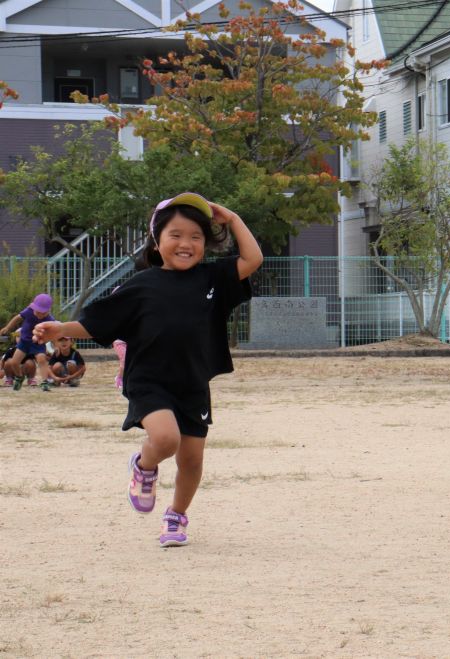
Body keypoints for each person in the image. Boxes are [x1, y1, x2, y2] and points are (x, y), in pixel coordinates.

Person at [33, 192, 263, 547]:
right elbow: (99, 322)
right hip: (148, 381)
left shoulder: (212, 279)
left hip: (192, 384)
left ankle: (176, 516)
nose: (186, 243)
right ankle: (144, 464)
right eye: (176, 235)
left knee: (192, 460)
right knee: (167, 439)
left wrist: (231, 218)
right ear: (157, 241)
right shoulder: (141, 285)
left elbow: (253, 258)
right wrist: (61, 328)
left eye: (196, 236)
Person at [1, 293, 55, 391]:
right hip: (24, 341)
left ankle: (45, 382)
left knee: (42, 359)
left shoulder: (50, 320)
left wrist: (51, 342)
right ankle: (19, 377)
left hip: (38, 343)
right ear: (33, 307)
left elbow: (54, 332)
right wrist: (8, 328)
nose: (40, 315)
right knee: (14, 362)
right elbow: (17, 318)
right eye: (38, 312)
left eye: (43, 313)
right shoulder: (28, 311)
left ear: (48, 311)